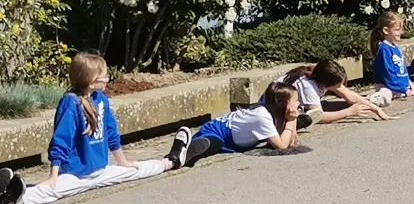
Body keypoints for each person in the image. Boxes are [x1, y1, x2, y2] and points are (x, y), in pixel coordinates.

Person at [0, 54, 199, 204]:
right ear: (90, 80)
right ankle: (10, 196)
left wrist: (123, 162)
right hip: (75, 174)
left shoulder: (101, 100)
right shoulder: (71, 103)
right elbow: (61, 141)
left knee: (137, 169)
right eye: (104, 75)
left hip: (101, 170)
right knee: (51, 191)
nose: (107, 78)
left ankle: (172, 161)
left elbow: (111, 133)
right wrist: (53, 176)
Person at [182, 82, 302, 167]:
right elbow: (282, 146)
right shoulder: (262, 117)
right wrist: (291, 121)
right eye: (295, 100)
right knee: (211, 145)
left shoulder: (272, 113)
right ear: (284, 103)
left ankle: (183, 153)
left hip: (228, 136)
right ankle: (181, 153)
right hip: (218, 131)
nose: (298, 103)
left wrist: (292, 119)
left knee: (215, 145)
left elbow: (293, 143)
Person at [273, 59, 396, 126]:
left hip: (296, 104)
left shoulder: (320, 75)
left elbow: (348, 95)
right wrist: (349, 112)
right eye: (337, 85)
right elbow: (318, 117)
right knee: (308, 118)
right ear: (326, 83)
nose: (340, 87)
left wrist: (376, 110)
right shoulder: (309, 87)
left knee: (342, 105)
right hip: (275, 110)